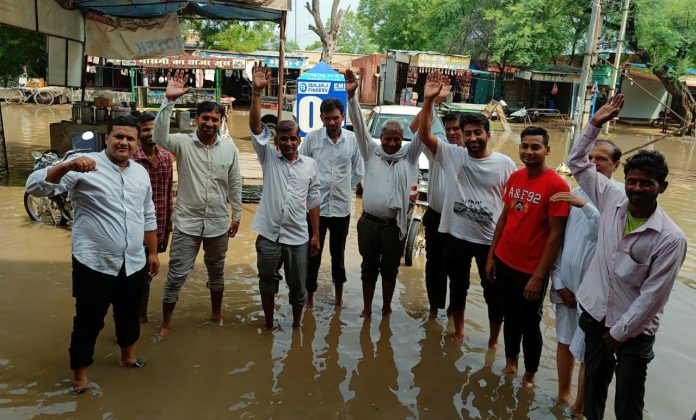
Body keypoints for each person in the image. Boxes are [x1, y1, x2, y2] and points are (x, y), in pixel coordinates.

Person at [568, 94, 687, 420]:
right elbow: (576, 162)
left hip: (634, 333)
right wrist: (594, 124)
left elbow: (652, 297)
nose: (637, 188)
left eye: (646, 183)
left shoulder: (671, 238)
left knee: (628, 405)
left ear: (661, 187)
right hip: (595, 317)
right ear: (624, 181)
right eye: (632, 181)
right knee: (593, 393)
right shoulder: (611, 198)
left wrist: (618, 333)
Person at [25, 116, 159, 394]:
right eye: (118, 136)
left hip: (133, 260)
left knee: (129, 314)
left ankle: (129, 357)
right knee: (88, 320)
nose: (124, 142)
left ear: (136, 144)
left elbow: (148, 214)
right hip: (94, 262)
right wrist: (64, 167)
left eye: (130, 138)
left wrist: (153, 252)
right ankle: (80, 378)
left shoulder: (140, 173)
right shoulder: (84, 165)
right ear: (107, 138)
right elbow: (35, 187)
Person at [417, 71, 516, 344]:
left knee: (493, 292)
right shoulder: (452, 155)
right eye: (467, 133)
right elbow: (423, 133)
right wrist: (429, 101)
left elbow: (513, 205)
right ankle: (459, 331)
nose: (472, 137)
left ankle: (494, 340)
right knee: (458, 287)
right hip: (456, 235)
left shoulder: (505, 164)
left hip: (489, 241)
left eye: (477, 132)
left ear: (487, 133)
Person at [153, 70, 242, 336]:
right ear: (196, 120)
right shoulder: (182, 144)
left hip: (217, 222)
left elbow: (235, 184)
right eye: (205, 118)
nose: (210, 123)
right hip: (187, 224)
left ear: (221, 122)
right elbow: (159, 138)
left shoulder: (229, 149)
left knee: (216, 271)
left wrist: (237, 214)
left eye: (215, 119)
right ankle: (166, 323)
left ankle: (216, 314)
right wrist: (168, 102)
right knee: (176, 275)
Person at [485, 125, 569, 387]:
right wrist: (491, 257)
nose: (529, 151)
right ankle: (511, 362)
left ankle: (530, 373)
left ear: (547, 150)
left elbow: (556, 236)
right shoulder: (516, 177)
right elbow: (504, 218)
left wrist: (538, 276)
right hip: (505, 261)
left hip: (531, 269)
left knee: (530, 322)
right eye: (525, 146)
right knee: (509, 315)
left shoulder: (557, 185)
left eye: (536, 147)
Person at [549, 139, 622, 415]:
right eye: (589, 158)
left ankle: (578, 409)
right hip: (566, 287)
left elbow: (606, 237)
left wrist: (586, 206)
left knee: (589, 355)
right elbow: (559, 241)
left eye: (601, 159)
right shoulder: (573, 192)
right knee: (564, 342)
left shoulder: (620, 199)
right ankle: (562, 398)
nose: (593, 163)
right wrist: (558, 282)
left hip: (595, 297)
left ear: (616, 165)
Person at [345, 69, 425, 318]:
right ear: (381, 138)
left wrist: (430, 101)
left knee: (390, 271)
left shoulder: (410, 157)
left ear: (403, 140)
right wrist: (352, 97)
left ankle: (387, 308)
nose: (392, 144)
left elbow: (423, 131)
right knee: (368, 269)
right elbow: (358, 126)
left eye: (397, 139)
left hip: (394, 227)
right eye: (388, 139)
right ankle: (368, 309)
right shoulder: (371, 152)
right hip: (368, 225)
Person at [249, 63, 321, 329]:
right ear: (276, 141)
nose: (288, 143)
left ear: (299, 140)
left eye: (293, 138)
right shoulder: (268, 158)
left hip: (297, 237)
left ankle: (296, 326)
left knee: (298, 288)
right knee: (267, 283)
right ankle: (268, 324)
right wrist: (257, 93)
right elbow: (256, 129)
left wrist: (315, 234)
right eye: (283, 138)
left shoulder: (310, 165)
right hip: (268, 234)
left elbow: (314, 202)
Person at [299, 98, 363, 308]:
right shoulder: (312, 139)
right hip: (316, 209)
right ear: (321, 119)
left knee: (339, 255)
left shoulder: (353, 140)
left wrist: (343, 187)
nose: (332, 122)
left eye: (335, 118)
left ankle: (338, 299)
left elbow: (358, 171)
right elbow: (301, 168)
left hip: (342, 209)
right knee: (312, 255)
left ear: (342, 117)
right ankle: (309, 299)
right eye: (327, 118)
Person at [407, 103, 464, 319]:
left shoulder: (472, 155)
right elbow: (415, 128)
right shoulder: (437, 149)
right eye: (447, 129)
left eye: (455, 129)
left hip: (460, 221)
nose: (451, 133)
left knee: (458, 271)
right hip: (436, 216)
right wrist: (429, 101)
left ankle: (453, 310)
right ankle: (433, 308)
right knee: (434, 267)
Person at [132, 112, 174, 323]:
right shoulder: (130, 158)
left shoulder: (166, 157)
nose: (150, 134)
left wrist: (167, 228)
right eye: (145, 129)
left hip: (156, 230)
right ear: (138, 133)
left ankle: (141, 318)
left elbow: (167, 194)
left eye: (154, 129)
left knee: (147, 275)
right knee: (135, 278)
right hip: (132, 231)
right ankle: (135, 318)